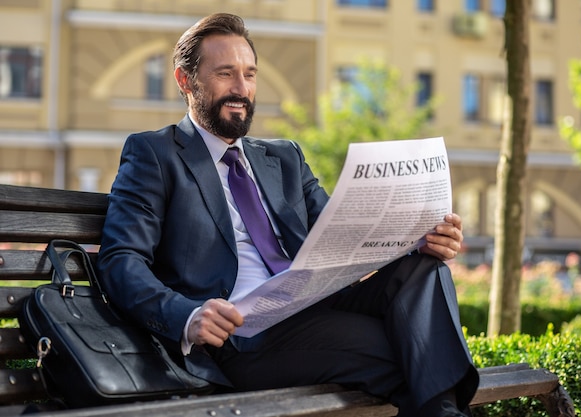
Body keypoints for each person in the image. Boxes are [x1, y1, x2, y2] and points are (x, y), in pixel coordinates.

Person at [96, 12, 479, 417]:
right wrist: (187, 316)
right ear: (185, 80)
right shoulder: (155, 155)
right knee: (408, 349)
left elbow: (346, 234)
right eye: (226, 74)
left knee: (425, 268)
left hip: (313, 310)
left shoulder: (285, 158)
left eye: (250, 74)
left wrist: (420, 237)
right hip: (240, 337)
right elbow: (121, 260)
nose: (241, 89)